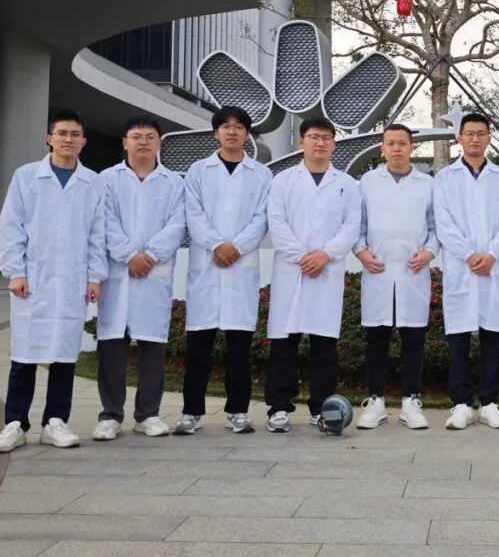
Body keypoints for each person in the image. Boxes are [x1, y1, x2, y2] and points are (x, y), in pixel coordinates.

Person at [0, 110, 107, 453]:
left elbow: (97, 233)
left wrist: (95, 276)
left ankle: (55, 421)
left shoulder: (93, 182)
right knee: (24, 353)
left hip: (72, 279)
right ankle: (15, 423)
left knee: (64, 353)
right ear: (49, 138)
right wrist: (15, 271)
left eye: (75, 134)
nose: (68, 139)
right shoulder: (27, 177)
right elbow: (11, 225)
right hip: (33, 278)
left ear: (83, 141)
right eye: (62, 133)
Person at [175, 106, 272, 435]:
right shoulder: (198, 171)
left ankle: (237, 412)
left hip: (241, 267)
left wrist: (237, 248)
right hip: (207, 264)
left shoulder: (261, 174)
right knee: (199, 348)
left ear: (247, 134)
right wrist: (217, 245)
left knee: (239, 349)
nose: (232, 132)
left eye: (239, 127)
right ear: (216, 132)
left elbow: (262, 218)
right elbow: (194, 214)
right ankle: (191, 412)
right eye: (226, 126)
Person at [264, 117, 361, 432]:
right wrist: (302, 256)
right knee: (284, 344)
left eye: (326, 138)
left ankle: (322, 409)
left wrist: (325, 255)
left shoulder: (347, 184)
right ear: (301, 141)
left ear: (334, 143)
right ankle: (279, 408)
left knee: (324, 347)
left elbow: (351, 226)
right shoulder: (283, 181)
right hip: (291, 270)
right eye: (314, 137)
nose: (320, 143)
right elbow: (276, 222)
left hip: (327, 271)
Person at [93, 115, 186, 441]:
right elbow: (103, 220)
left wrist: (150, 256)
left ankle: (148, 414)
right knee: (111, 345)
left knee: (152, 345)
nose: (143, 142)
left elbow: (178, 224)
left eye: (149, 137)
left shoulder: (174, 182)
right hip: (118, 273)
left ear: (159, 142)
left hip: (154, 273)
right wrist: (128, 255)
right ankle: (110, 415)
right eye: (136, 136)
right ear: (125, 142)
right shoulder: (106, 179)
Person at [433, 113, 499, 430]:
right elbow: (443, 222)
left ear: (489, 137)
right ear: (459, 137)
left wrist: (493, 254)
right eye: (469, 133)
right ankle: (461, 404)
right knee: (458, 336)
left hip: (494, 267)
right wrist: (469, 255)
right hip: (461, 267)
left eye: (481, 133)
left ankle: (489, 402)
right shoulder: (445, 178)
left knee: (492, 336)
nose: (475, 139)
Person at [353, 123, 437, 430]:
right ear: (382, 148)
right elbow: (357, 225)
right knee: (377, 338)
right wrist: (361, 252)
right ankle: (375, 401)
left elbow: (436, 227)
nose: (397, 148)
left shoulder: (427, 184)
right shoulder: (367, 183)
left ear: (412, 147)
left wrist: (429, 253)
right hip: (377, 270)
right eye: (391, 143)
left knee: (413, 338)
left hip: (413, 272)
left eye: (403, 143)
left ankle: (410, 401)